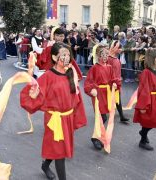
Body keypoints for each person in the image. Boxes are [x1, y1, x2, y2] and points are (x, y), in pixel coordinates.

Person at [20, 42, 87, 180]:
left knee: (58, 148)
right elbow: (33, 93)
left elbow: (75, 97)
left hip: (67, 118)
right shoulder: (48, 76)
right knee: (60, 152)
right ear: (55, 58)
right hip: (54, 120)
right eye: (63, 55)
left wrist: (76, 115)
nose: (67, 58)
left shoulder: (70, 72)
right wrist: (33, 94)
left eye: (68, 55)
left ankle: (45, 165)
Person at [84, 44, 119, 150]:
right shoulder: (94, 68)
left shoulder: (109, 67)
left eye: (106, 55)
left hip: (106, 93)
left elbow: (113, 79)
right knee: (101, 117)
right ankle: (96, 138)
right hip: (98, 94)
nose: (105, 57)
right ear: (98, 56)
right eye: (103, 55)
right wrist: (92, 89)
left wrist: (114, 84)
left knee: (103, 117)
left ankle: (98, 136)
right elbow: (88, 82)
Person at [108, 41, 129, 122]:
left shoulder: (110, 58)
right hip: (114, 82)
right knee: (117, 98)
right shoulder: (114, 59)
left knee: (116, 99)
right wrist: (117, 82)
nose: (121, 50)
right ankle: (121, 116)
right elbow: (114, 73)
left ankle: (121, 116)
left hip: (112, 81)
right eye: (119, 48)